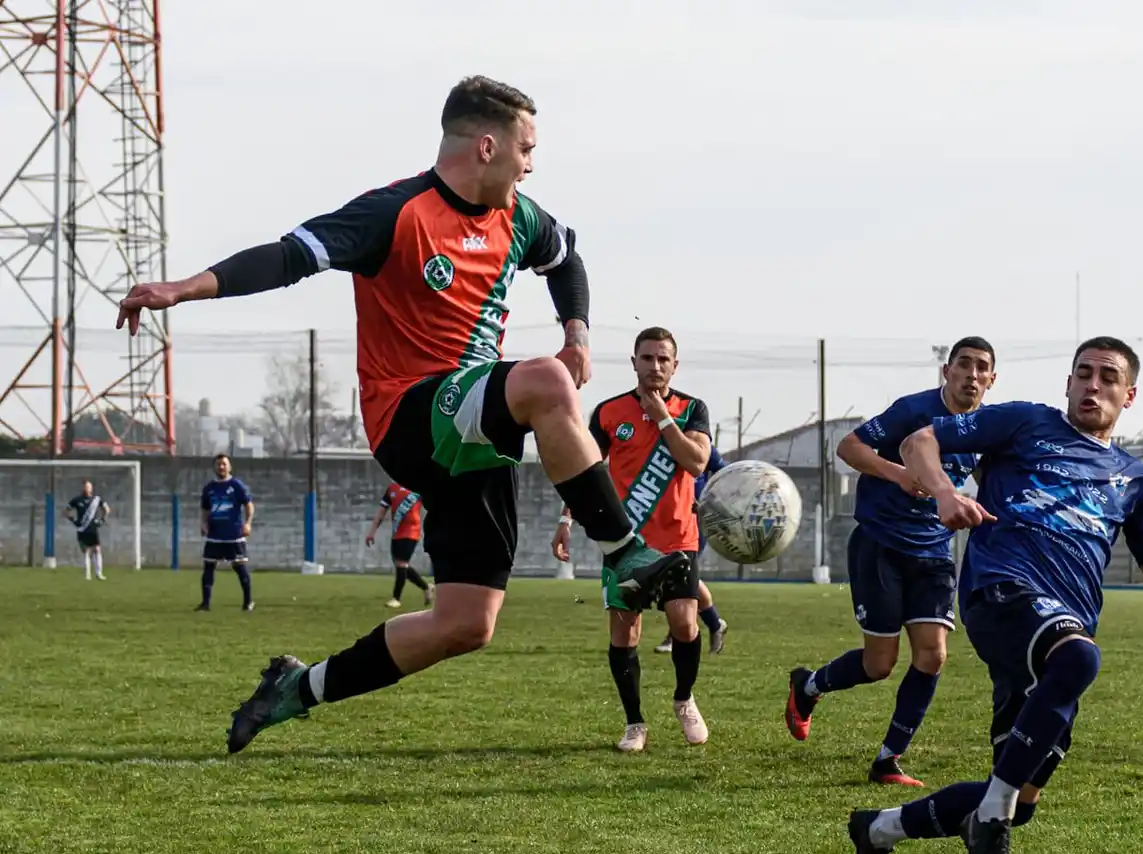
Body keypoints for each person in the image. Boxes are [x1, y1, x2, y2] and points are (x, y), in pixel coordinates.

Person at [115, 76, 688, 754]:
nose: (532, 164)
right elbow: (288, 257)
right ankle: (625, 555)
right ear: (486, 145)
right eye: (526, 149)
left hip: (474, 431)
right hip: (409, 411)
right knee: (544, 382)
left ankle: (295, 689)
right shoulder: (395, 212)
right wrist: (182, 288)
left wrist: (579, 333)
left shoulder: (519, 218)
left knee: (466, 623)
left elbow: (566, 259)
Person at [842, 336, 1143, 854]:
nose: (1093, 385)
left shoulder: (1138, 482)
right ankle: (988, 818)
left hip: (1056, 632)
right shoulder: (1026, 424)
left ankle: (876, 830)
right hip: (1001, 595)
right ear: (1068, 383)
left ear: (1129, 395)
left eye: (1108, 377)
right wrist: (945, 493)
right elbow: (920, 439)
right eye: (1083, 374)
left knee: (1020, 799)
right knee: (1078, 658)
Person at [785, 337, 997, 788]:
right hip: (880, 545)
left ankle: (888, 760)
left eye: (982, 368)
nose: (972, 375)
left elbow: (986, 478)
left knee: (933, 654)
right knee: (879, 663)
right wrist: (900, 473)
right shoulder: (913, 411)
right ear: (947, 371)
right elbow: (849, 448)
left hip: (935, 553)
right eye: (964, 365)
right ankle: (808, 686)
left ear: (992, 380)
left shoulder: (987, 430)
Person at [552, 327, 713, 751]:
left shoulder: (693, 409)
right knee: (625, 634)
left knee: (683, 621)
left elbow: (696, 463)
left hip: (679, 539)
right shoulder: (609, 412)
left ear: (675, 365)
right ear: (634, 362)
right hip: (625, 543)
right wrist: (566, 519)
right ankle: (634, 724)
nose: (655, 366)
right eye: (647, 358)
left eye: (663, 359)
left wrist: (662, 417)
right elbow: (581, 470)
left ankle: (684, 698)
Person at [653, 443, 729, 656]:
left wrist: (707, 501)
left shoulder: (701, 445)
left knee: (679, 575)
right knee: (680, 577)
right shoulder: (655, 445)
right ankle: (714, 624)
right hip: (664, 521)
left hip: (692, 522)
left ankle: (676, 634)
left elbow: (726, 476)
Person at [198, 454, 255, 612]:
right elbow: (205, 508)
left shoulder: (236, 485)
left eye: (224, 464)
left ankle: (248, 602)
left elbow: (249, 505)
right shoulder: (209, 488)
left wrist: (248, 523)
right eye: (218, 464)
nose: (221, 467)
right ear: (214, 467)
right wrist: (203, 524)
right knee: (208, 568)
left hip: (234, 535)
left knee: (240, 568)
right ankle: (205, 604)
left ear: (229, 467)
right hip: (214, 535)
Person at [365, 482, 435, 609]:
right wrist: (371, 532)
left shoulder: (418, 488)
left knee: (401, 564)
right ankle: (426, 587)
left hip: (412, 533)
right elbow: (381, 512)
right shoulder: (392, 489)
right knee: (401, 567)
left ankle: (396, 598)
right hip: (397, 533)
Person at [66, 480, 111, 580]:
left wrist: (102, 520)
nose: (87, 489)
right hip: (82, 528)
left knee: (97, 549)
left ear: (92, 488)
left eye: (89, 487)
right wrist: (73, 520)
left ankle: (99, 573)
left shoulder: (96, 499)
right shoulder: (77, 500)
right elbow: (66, 511)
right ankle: (87, 575)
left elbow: (106, 509)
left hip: (93, 528)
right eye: (85, 487)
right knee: (86, 551)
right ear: (83, 488)